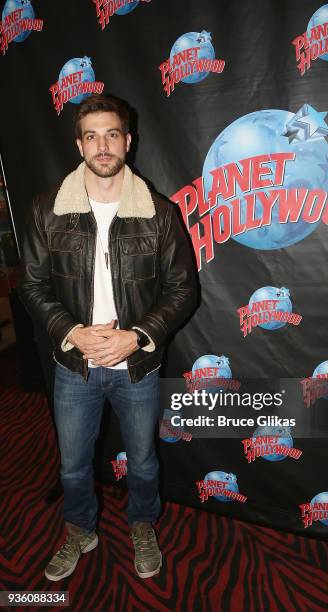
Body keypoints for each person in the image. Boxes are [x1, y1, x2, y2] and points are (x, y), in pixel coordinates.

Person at [18, 94, 197, 581]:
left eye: (111, 134)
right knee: (73, 467)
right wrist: (72, 331)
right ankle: (80, 531)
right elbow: (31, 285)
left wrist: (137, 337)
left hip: (135, 366)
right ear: (79, 144)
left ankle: (143, 525)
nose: (102, 145)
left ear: (128, 141)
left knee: (141, 463)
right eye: (92, 135)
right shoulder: (46, 210)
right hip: (74, 364)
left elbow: (184, 290)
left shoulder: (158, 212)